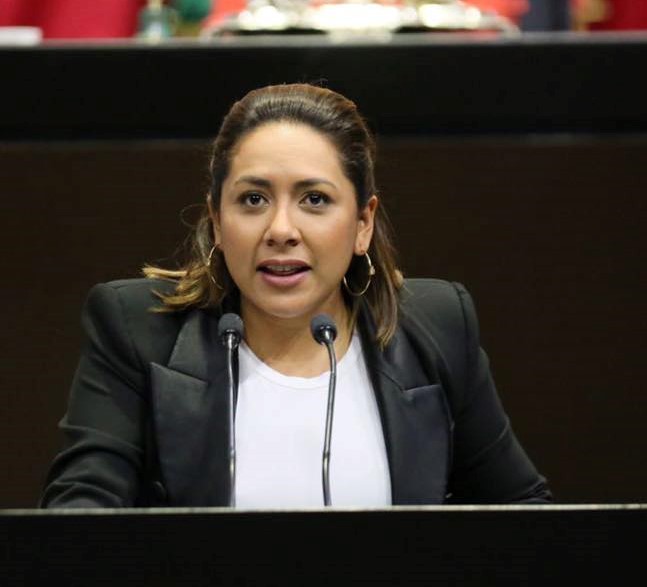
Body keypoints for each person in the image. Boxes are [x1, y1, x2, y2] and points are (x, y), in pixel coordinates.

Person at [40, 83, 552, 508]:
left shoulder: (436, 328)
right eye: (253, 199)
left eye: (314, 199)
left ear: (363, 223)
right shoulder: (138, 329)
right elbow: (80, 518)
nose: (281, 229)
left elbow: (525, 519)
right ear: (217, 220)